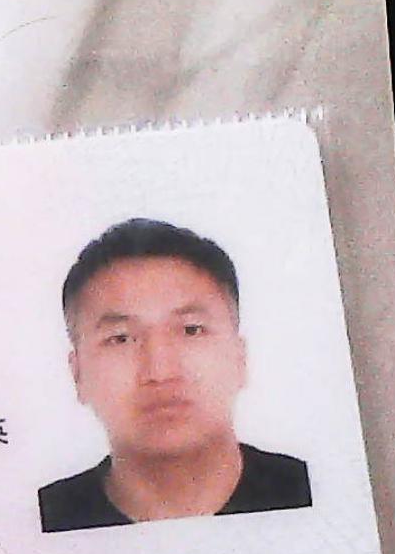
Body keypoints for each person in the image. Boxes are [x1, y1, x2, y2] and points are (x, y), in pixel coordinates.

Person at [36, 217, 313, 531]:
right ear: (78, 374)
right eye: (121, 338)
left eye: (191, 330)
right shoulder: (41, 521)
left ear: (240, 358)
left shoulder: (311, 492)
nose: (160, 371)